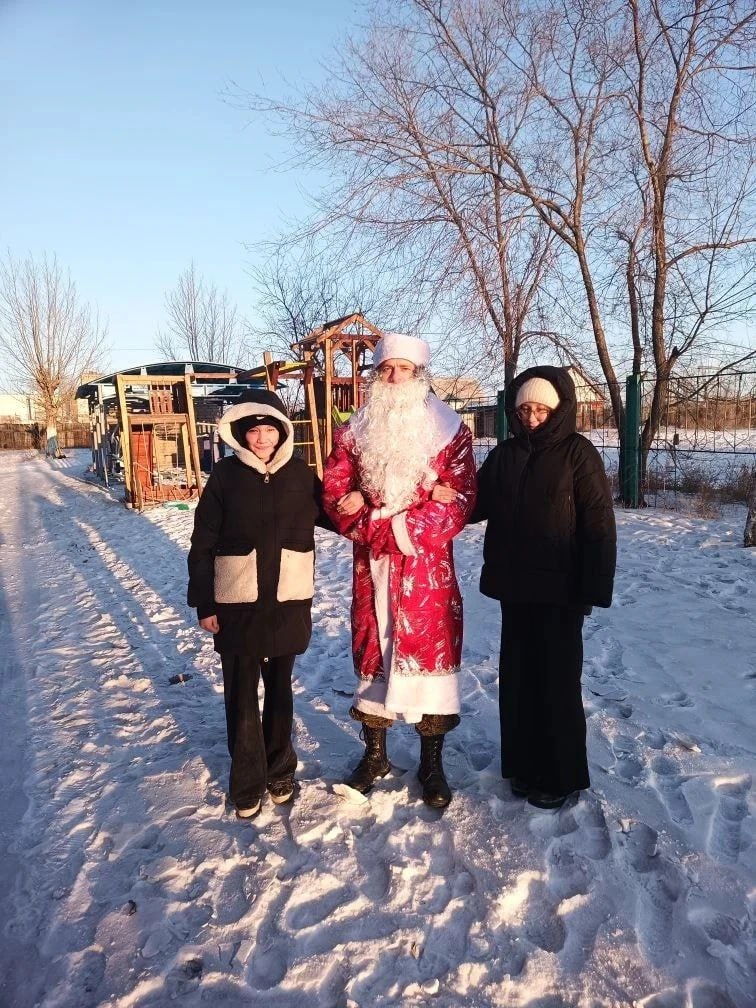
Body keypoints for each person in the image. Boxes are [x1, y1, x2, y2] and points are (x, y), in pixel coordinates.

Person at [322, 333, 477, 808]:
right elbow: (334, 492)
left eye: (404, 369)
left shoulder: (451, 431)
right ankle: (375, 757)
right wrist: (363, 517)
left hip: (426, 569)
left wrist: (384, 526)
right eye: (387, 369)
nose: (394, 377)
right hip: (372, 569)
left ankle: (432, 763)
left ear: (419, 374)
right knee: (373, 650)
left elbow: (461, 500)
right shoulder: (353, 430)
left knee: (429, 658)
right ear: (377, 374)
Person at [471, 366, 616, 809]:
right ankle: (522, 765)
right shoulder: (505, 455)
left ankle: (557, 775)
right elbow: (476, 504)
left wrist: (591, 589)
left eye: (540, 409)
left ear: (557, 410)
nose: (531, 417)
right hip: (516, 588)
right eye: (523, 410)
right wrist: (437, 495)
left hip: (561, 591)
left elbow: (598, 524)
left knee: (555, 683)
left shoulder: (578, 454)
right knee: (517, 679)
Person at [187, 389, 323, 820]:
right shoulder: (225, 477)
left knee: (281, 693)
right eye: (253, 431)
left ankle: (281, 771)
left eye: (269, 430)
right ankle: (247, 781)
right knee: (242, 697)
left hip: (287, 601)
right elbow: (202, 541)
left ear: (282, 432)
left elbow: (338, 514)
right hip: (238, 603)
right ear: (241, 434)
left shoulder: (302, 475)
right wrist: (204, 601)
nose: (261, 439)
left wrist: (368, 505)